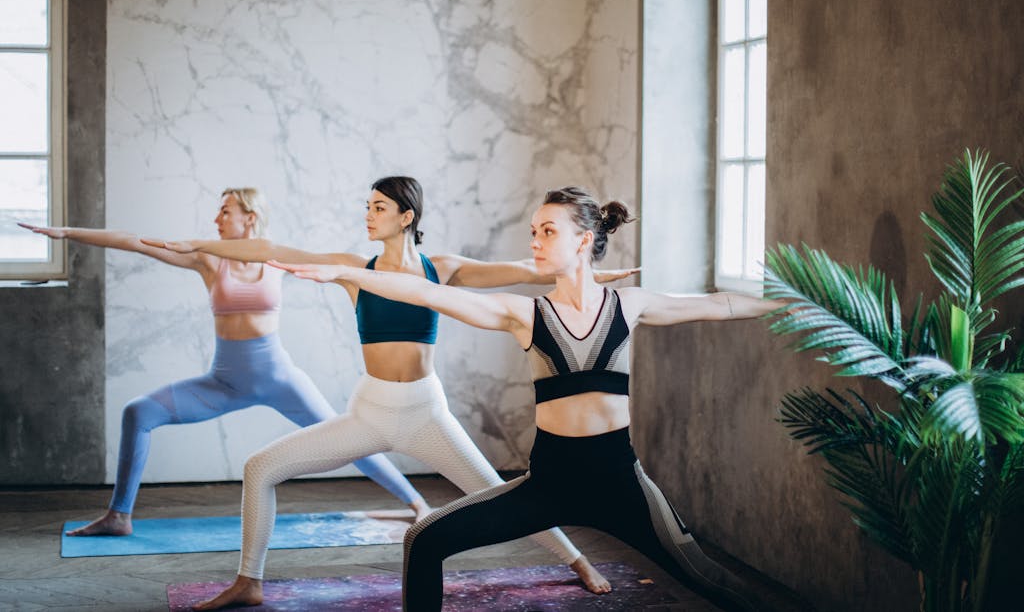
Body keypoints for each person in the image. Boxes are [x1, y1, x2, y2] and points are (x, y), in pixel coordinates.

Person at [272, 186, 783, 611]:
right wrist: (345, 273)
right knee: (423, 539)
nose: (535, 241)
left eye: (547, 231)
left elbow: (723, 304)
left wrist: (798, 302)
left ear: (583, 240)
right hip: (549, 485)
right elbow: (429, 294)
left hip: (622, 484)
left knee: (709, 578)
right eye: (533, 232)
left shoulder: (631, 305)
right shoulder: (525, 314)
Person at [148, 177, 625, 610]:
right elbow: (269, 247)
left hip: (425, 413)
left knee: (498, 491)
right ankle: (248, 581)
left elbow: (526, 269)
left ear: (406, 217)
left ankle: (576, 560)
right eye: (367, 206)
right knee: (259, 468)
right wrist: (196, 244)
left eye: (378, 207)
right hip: (370, 411)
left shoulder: (442, 269)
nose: (368, 215)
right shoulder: (357, 268)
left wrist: (600, 278)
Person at [19, 189, 425, 537]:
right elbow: (135, 241)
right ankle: (118, 515)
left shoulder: (274, 258)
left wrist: (398, 274)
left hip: (281, 380)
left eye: (224, 211)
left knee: (350, 437)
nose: (216, 219)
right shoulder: (208, 260)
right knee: (137, 413)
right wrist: (67, 233)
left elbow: (345, 266)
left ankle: (418, 505)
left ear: (249, 218)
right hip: (224, 384)